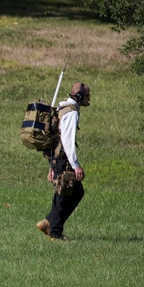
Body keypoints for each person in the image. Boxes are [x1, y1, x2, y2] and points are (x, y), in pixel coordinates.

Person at [37, 82, 91, 241]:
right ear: (80, 97)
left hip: (56, 157)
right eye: (88, 95)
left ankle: (51, 226)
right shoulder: (72, 113)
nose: (90, 99)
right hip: (64, 158)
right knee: (70, 192)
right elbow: (67, 140)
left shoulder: (61, 109)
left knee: (66, 192)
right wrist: (76, 165)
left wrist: (52, 165)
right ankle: (52, 228)